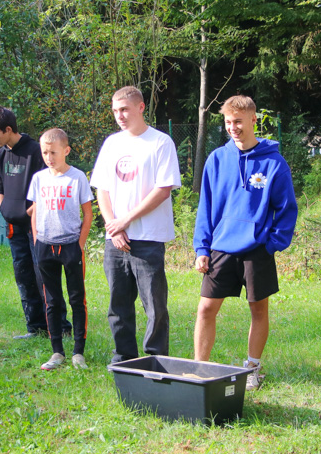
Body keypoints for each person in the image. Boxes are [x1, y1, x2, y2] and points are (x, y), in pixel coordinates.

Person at [192, 95, 298, 391]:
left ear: (253, 120)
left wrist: (271, 243)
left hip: (256, 250)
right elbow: (206, 206)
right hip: (221, 248)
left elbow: (287, 208)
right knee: (205, 309)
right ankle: (200, 367)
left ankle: (251, 368)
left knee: (258, 310)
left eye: (238, 121)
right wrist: (202, 248)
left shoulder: (273, 162)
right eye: (228, 122)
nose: (233, 128)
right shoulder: (216, 159)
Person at [90, 86, 181, 363]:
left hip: (148, 239)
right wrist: (112, 227)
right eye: (116, 111)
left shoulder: (160, 143)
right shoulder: (111, 143)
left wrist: (125, 221)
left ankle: (155, 360)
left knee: (154, 307)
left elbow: (163, 189)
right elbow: (101, 189)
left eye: (125, 109)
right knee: (118, 306)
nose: (120, 115)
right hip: (115, 241)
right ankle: (124, 358)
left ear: (141, 107)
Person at [0, 106, 69, 339]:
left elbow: (49, 185)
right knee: (23, 276)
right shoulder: (2, 153)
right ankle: (36, 327)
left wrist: (30, 212)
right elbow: (0, 188)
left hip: (37, 227)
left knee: (44, 275)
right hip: (14, 228)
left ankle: (60, 327)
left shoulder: (35, 151)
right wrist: (5, 209)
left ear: (8, 129)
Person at [27, 129, 93, 370]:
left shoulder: (77, 178)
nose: (49, 157)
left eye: (53, 152)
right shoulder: (39, 178)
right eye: (45, 152)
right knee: (52, 300)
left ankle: (78, 352)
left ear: (66, 151)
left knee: (77, 298)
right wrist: (36, 240)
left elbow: (88, 213)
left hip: (70, 246)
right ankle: (57, 352)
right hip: (45, 246)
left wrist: (80, 243)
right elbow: (34, 211)